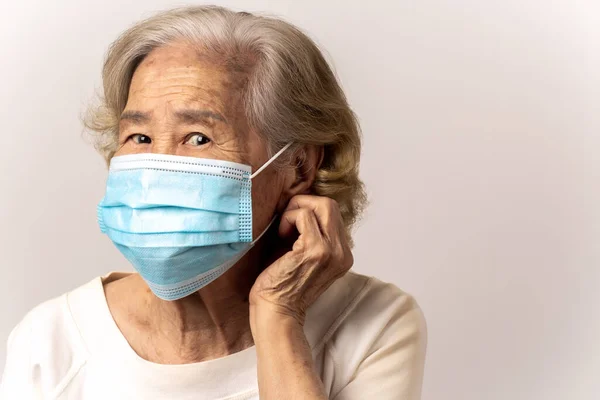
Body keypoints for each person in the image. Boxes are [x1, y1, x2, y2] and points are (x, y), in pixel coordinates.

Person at [0, 5, 426, 399]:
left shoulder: (372, 325)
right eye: (140, 137)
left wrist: (278, 319)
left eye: (198, 138)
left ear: (298, 167)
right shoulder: (51, 339)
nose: (157, 167)